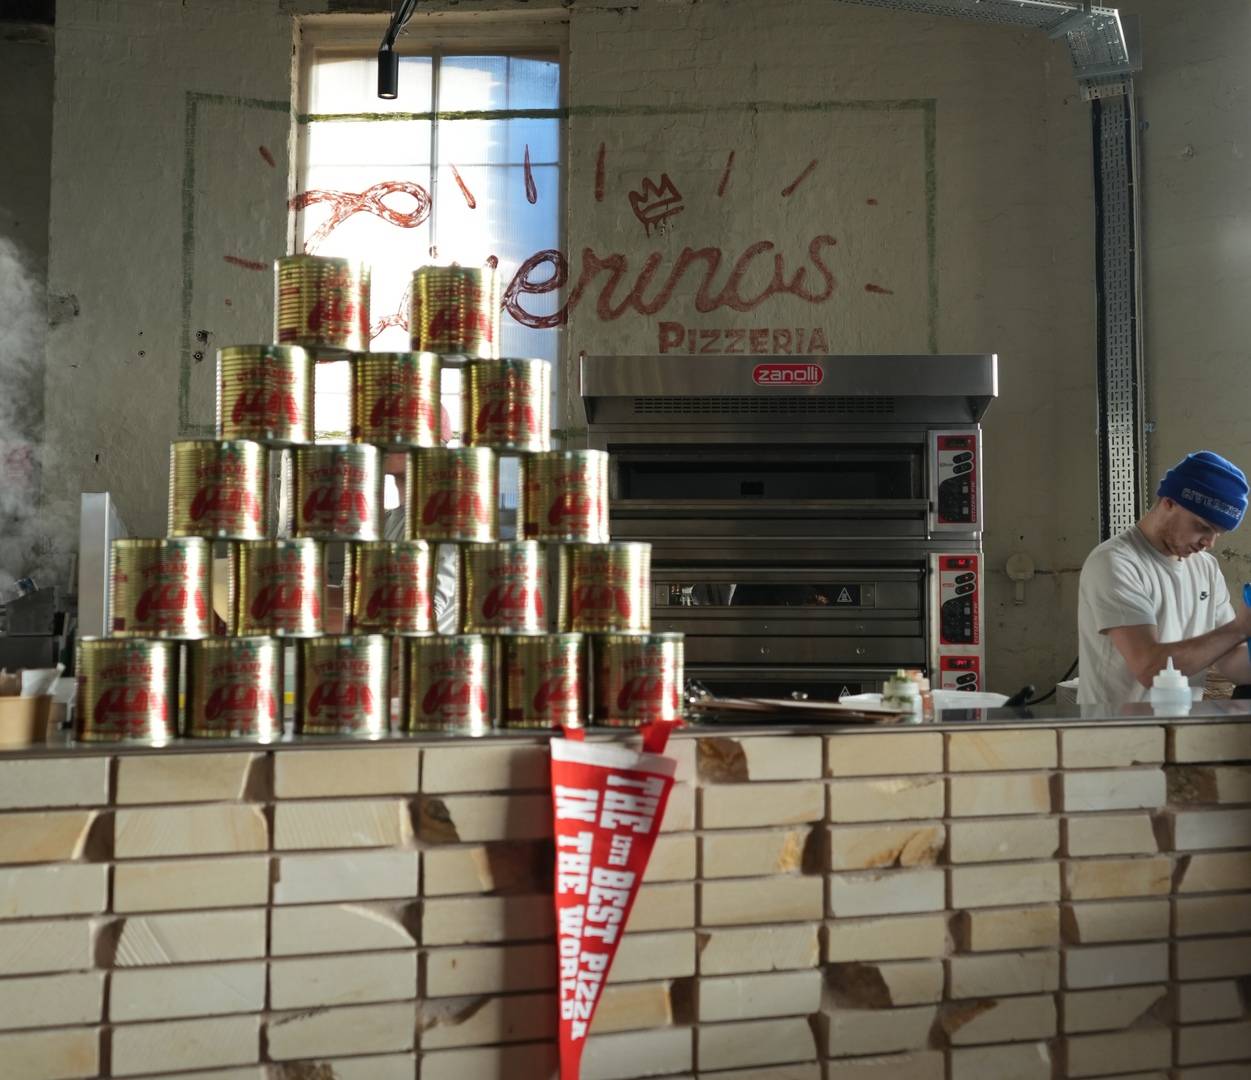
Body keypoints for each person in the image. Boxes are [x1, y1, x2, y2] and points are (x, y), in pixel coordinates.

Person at [1077, 450, 1251, 705]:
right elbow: (1150, 668)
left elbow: (1230, 661)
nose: (1209, 542)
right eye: (1203, 526)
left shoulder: (1206, 568)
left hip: (1179, 731)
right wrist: (1240, 628)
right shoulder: (1116, 561)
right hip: (1114, 734)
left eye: (1218, 533)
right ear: (1169, 502)